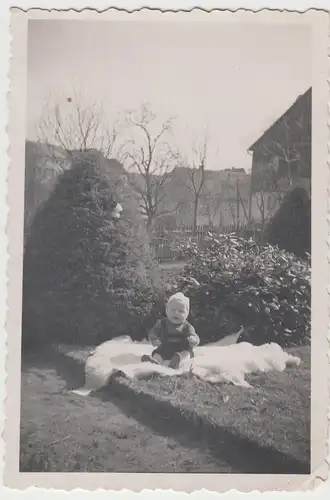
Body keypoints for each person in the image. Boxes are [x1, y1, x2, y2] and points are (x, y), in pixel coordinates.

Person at [141, 292, 200, 369]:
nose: (176, 313)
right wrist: (154, 339)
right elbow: (153, 332)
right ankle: (155, 362)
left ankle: (178, 362)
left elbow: (194, 336)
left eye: (181, 311)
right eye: (173, 310)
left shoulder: (187, 326)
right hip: (164, 350)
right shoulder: (162, 324)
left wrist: (193, 340)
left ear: (187, 314)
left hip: (181, 351)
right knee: (157, 354)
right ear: (167, 311)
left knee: (186, 354)